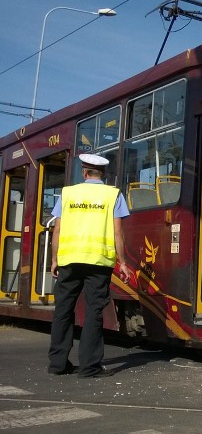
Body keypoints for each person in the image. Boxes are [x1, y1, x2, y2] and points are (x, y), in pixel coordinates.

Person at [47, 154, 134, 378]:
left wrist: (55, 259)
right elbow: (118, 233)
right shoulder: (113, 195)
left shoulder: (67, 194)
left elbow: (57, 230)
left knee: (63, 311)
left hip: (69, 261)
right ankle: (89, 367)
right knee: (94, 312)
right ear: (102, 174)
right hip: (98, 263)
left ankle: (57, 364)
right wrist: (122, 263)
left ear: (84, 173)